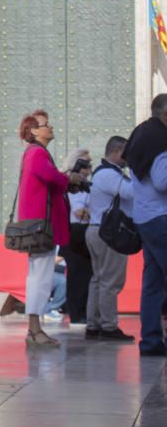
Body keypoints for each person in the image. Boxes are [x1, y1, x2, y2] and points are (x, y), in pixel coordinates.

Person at [14, 111, 85, 347]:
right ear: (34, 131)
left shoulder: (36, 153)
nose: (51, 127)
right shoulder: (36, 153)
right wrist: (69, 177)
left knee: (39, 274)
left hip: (40, 225)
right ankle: (34, 329)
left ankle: (35, 328)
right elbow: (51, 176)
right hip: (41, 226)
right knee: (40, 277)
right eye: (46, 125)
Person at [124, 94, 167, 357]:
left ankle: (151, 341)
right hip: (161, 217)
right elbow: (162, 181)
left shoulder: (141, 134)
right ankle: (152, 340)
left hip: (145, 217)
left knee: (153, 282)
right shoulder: (160, 140)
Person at [84, 136, 135, 342]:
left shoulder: (102, 173)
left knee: (98, 280)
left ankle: (94, 324)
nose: (128, 158)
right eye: (126, 153)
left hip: (98, 230)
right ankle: (108, 326)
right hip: (108, 234)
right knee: (110, 282)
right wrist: (137, 171)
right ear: (115, 152)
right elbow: (130, 193)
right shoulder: (108, 174)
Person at [59, 149, 93, 324]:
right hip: (72, 232)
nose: (89, 167)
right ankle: (76, 314)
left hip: (86, 230)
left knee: (87, 274)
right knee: (76, 274)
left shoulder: (88, 185)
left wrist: (88, 212)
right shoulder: (66, 181)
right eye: (85, 163)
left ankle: (85, 312)